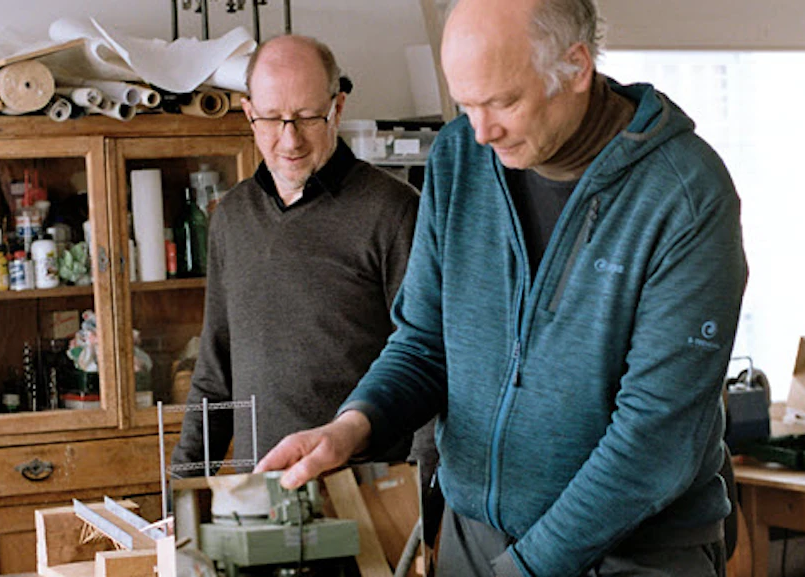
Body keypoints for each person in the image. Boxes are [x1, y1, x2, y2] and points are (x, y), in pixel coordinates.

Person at [255, 0, 748, 575]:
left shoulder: (684, 195)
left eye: (504, 102)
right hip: (476, 537)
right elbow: (424, 343)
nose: (482, 132)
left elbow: (655, 439)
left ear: (576, 66)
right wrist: (352, 427)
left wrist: (525, 568)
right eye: (466, 104)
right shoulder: (459, 157)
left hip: (635, 552)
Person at [171, 35, 420, 476]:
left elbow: (427, 362)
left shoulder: (394, 211)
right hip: (259, 490)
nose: (290, 140)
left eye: (307, 118)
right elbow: (214, 371)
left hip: (365, 489)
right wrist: (181, 488)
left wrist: (425, 494)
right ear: (249, 113)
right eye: (271, 118)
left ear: (337, 108)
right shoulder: (231, 216)